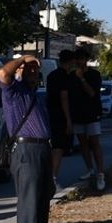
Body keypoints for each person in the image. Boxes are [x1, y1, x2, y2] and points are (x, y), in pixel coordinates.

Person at [0, 54, 57, 223]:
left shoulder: (35, 95)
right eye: (28, 68)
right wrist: (23, 58)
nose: (33, 71)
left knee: (42, 201)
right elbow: (3, 73)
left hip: (41, 149)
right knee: (29, 202)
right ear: (20, 70)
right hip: (25, 149)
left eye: (36, 69)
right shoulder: (13, 91)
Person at [65, 48, 106, 191]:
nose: (79, 62)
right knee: (82, 143)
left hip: (92, 113)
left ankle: (100, 173)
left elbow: (92, 93)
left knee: (94, 142)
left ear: (86, 60)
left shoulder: (94, 74)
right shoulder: (70, 77)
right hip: (77, 114)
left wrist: (82, 78)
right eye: (77, 59)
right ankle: (90, 169)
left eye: (81, 59)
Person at [44, 50, 76, 190]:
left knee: (54, 147)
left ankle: (50, 176)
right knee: (58, 148)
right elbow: (64, 97)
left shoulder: (51, 75)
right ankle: (53, 178)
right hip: (60, 115)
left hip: (51, 113)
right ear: (70, 61)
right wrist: (68, 119)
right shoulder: (64, 77)